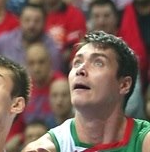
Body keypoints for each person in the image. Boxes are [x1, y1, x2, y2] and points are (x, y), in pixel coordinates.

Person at [22, 31, 150, 152]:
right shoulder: (44, 148)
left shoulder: (144, 140)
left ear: (124, 84)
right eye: (77, 62)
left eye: (98, 63)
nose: (80, 69)